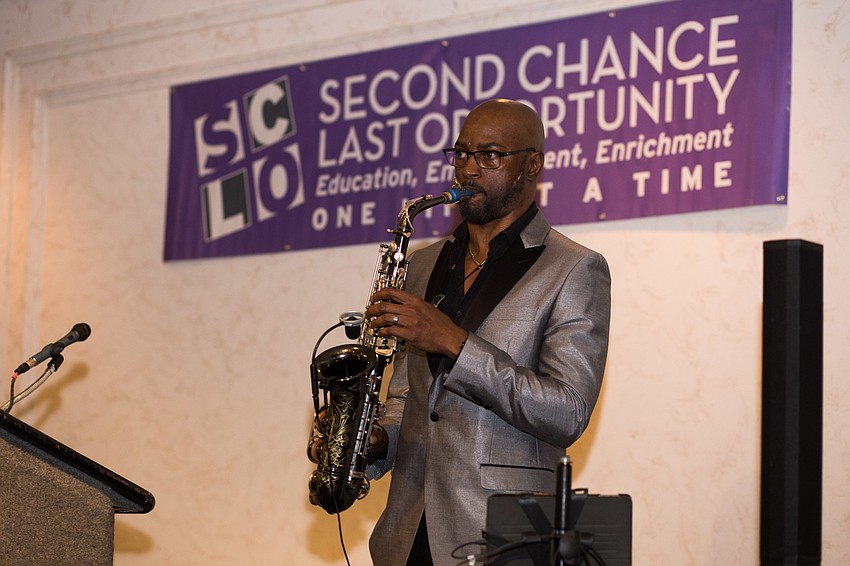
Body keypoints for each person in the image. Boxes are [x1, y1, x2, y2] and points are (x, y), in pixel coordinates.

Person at [364, 98, 611, 566]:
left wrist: (455, 343)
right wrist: (378, 439)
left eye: (490, 156)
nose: (468, 170)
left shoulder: (574, 269)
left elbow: (568, 411)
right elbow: (408, 397)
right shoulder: (420, 265)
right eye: (461, 154)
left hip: (501, 539)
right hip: (405, 534)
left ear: (532, 165)